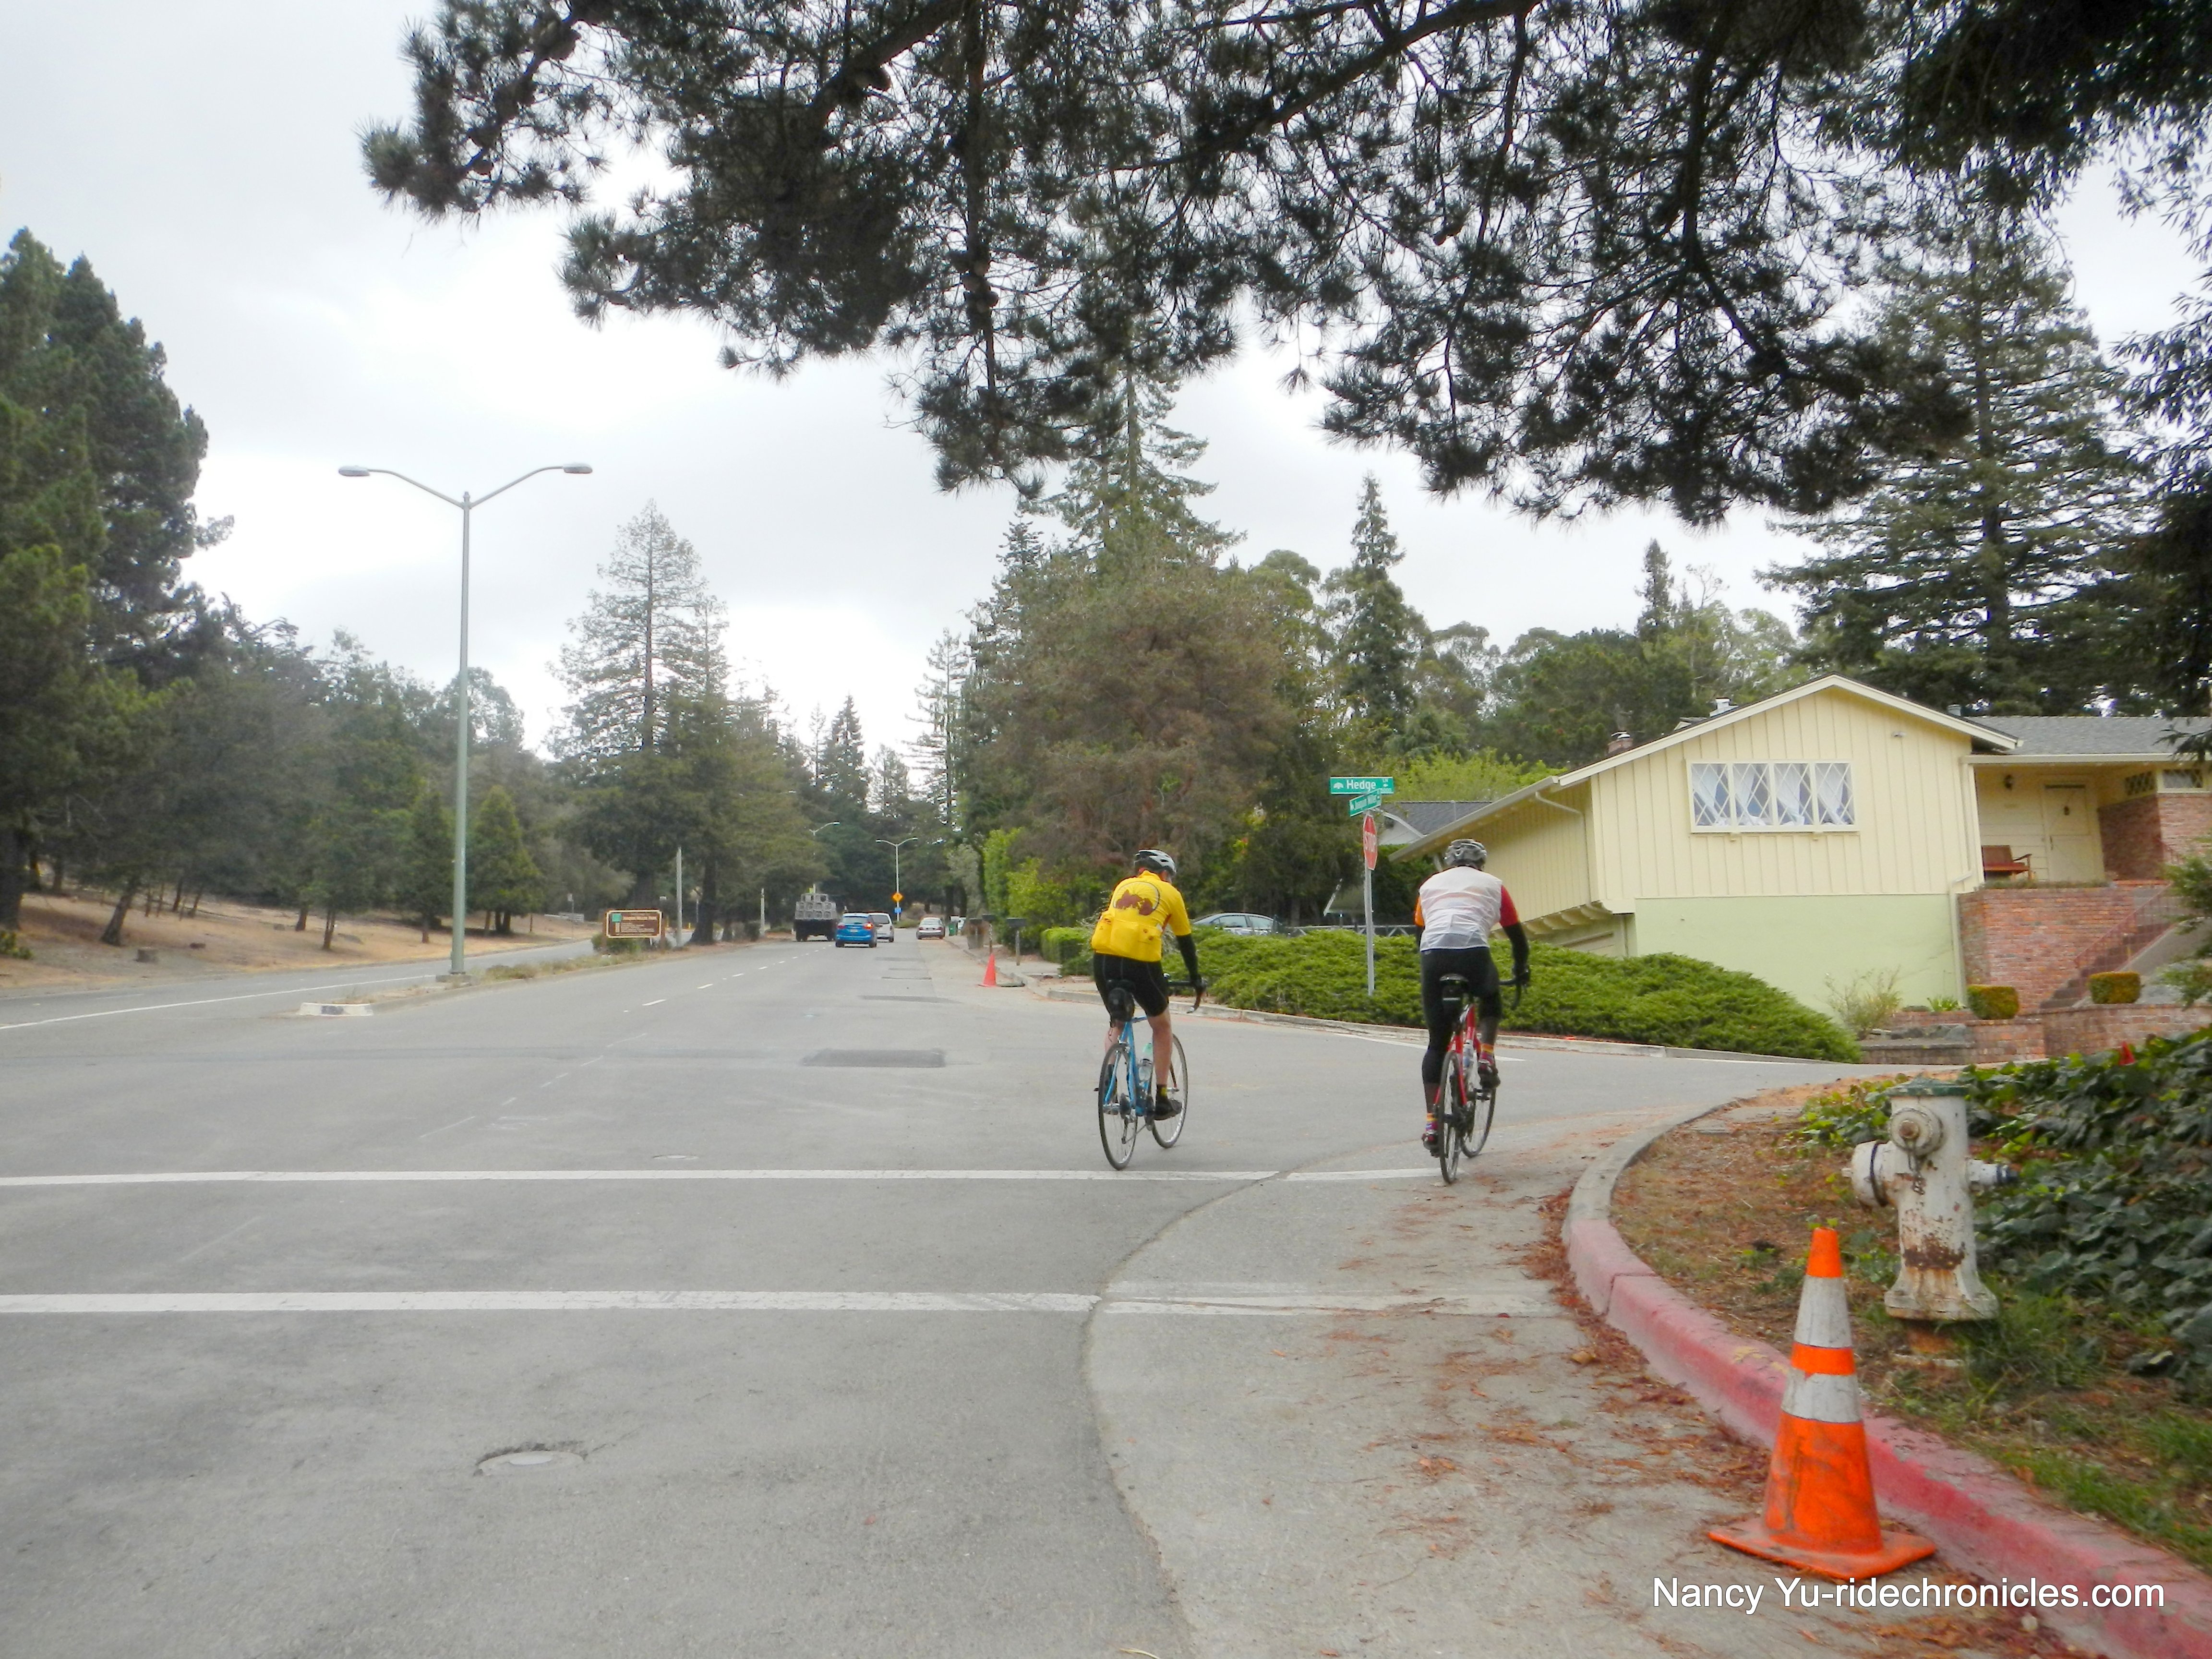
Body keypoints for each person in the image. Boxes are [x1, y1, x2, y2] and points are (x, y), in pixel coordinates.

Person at [1413, 838, 1530, 1152]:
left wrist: (1430, 968)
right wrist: (1522, 970)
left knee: (1437, 1044)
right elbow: (1517, 937)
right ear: (1481, 864)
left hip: (1434, 956)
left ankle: (1431, 1125)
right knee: (1490, 999)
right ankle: (1487, 1057)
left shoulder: (1429, 885)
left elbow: (1420, 931)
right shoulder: (1495, 886)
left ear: (1450, 863)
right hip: (1473, 953)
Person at [1089, 848, 1201, 1119]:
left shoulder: (1123, 886)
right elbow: (1186, 942)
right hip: (1141, 963)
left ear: (1141, 871)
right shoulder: (1170, 894)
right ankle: (1161, 1099)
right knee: (1161, 1027)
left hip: (1104, 960)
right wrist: (1196, 979)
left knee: (1117, 1021)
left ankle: (1109, 1083)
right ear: (1164, 874)